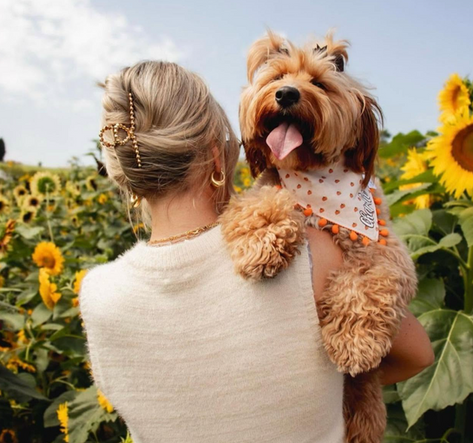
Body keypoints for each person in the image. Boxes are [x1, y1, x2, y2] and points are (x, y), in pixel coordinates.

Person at [79, 60, 434, 443]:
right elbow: (417, 356)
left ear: (125, 177)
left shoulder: (97, 296)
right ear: (218, 157)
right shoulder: (317, 254)